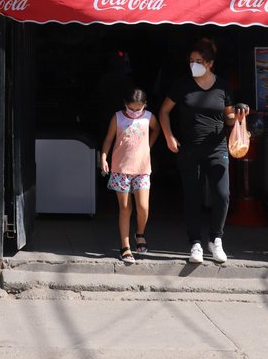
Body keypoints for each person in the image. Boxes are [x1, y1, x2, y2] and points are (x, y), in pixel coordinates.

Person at [158, 38, 248, 265]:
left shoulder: (223, 86)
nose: (193, 65)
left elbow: (228, 118)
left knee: (222, 194)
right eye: (191, 61)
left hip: (217, 146)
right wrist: (169, 136)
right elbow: (164, 111)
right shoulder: (182, 85)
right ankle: (195, 243)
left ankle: (216, 239)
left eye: (198, 61)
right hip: (188, 148)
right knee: (192, 197)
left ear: (209, 63)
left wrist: (237, 114)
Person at [98, 87, 160, 265]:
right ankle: (125, 246)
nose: (134, 112)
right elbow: (109, 139)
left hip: (142, 169)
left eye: (138, 109)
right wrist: (104, 157)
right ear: (125, 104)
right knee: (125, 208)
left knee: (143, 207)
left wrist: (149, 145)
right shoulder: (117, 117)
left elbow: (156, 129)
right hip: (121, 169)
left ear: (145, 105)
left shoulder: (149, 117)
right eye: (131, 109)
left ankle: (139, 233)